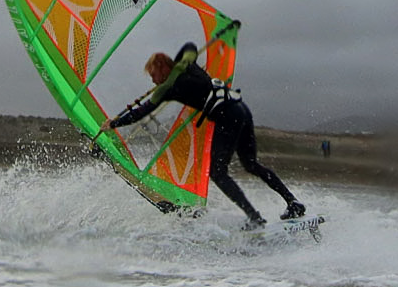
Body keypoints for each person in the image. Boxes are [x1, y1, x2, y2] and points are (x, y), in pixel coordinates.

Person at [100, 42, 305, 228]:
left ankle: (254, 217)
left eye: (153, 74)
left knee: (217, 172)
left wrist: (114, 123)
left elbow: (140, 112)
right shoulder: (187, 64)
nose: (153, 80)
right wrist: (182, 57)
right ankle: (293, 202)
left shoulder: (166, 88)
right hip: (241, 110)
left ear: (163, 67)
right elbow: (189, 46)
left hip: (227, 117)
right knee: (251, 165)